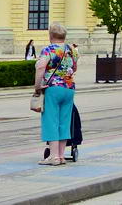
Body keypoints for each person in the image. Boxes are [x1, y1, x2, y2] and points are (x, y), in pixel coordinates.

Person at [35, 22, 78, 166]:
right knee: (64, 122)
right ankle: (61, 156)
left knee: (51, 121)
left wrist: (37, 86)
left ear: (50, 35)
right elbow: (74, 67)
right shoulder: (71, 50)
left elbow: (41, 66)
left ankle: (53, 157)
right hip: (69, 88)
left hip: (52, 88)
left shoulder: (48, 49)